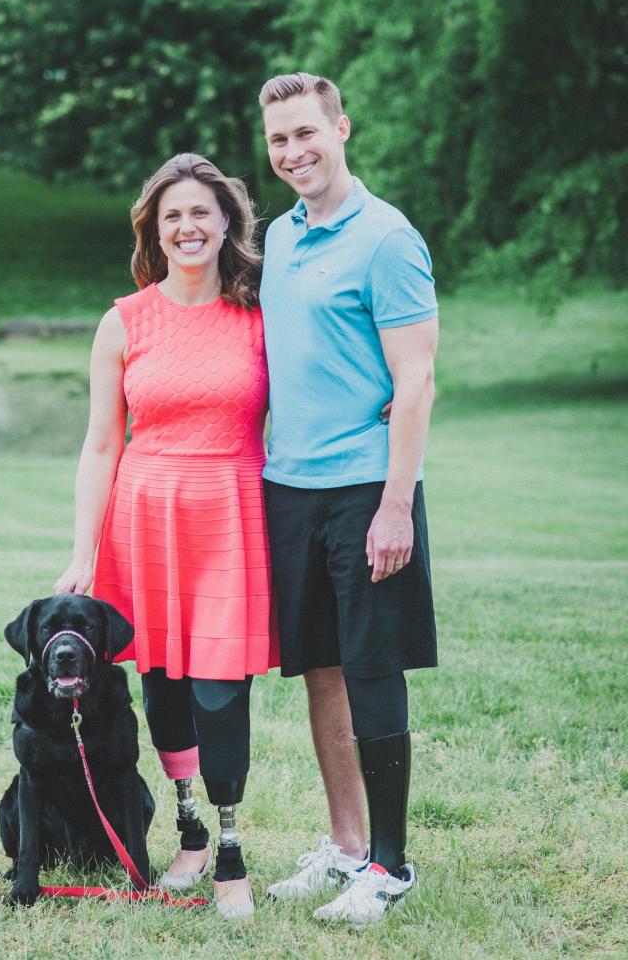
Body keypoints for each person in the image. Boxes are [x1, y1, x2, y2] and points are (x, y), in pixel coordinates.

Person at [54, 153, 277, 920]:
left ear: (226, 224)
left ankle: (231, 846)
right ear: (155, 228)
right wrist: (84, 550)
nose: (187, 227)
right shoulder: (123, 320)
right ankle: (187, 830)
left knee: (222, 687)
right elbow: (99, 445)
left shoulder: (259, 314)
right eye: (171, 215)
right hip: (144, 517)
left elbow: (319, 387)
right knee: (165, 681)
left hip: (231, 514)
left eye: (200, 213)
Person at [256, 72, 438, 928]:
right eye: (278, 140)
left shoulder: (388, 239)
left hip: (367, 489)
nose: (293, 152)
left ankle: (390, 868)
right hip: (288, 489)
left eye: (305, 133)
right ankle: (344, 846)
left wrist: (396, 503)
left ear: (341, 128)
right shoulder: (280, 239)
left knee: (372, 669)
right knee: (320, 668)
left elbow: (417, 378)